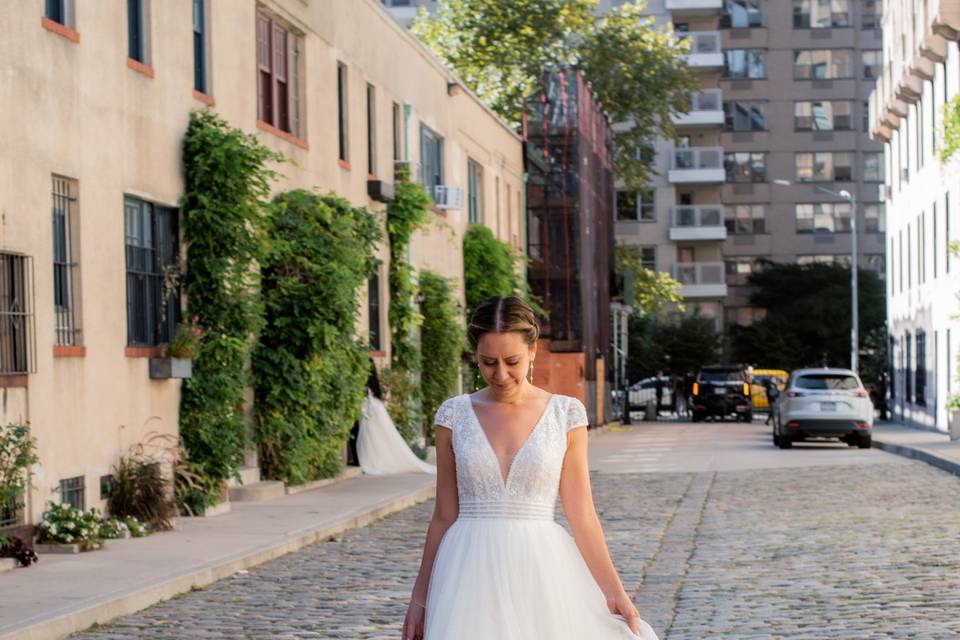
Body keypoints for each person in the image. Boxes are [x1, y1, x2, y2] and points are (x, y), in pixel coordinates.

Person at [403, 296, 658, 640]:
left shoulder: (565, 414)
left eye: (512, 361)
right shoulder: (454, 415)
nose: (501, 374)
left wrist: (615, 591)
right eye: (487, 362)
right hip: (466, 572)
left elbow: (581, 513)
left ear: (533, 350)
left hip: (541, 569)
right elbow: (443, 517)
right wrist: (420, 599)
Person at [354, 358, 437, 476]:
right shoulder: (373, 387)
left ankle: (372, 459)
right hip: (374, 409)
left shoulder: (367, 389)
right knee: (376, 437)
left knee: (372, 436)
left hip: (370, 410)